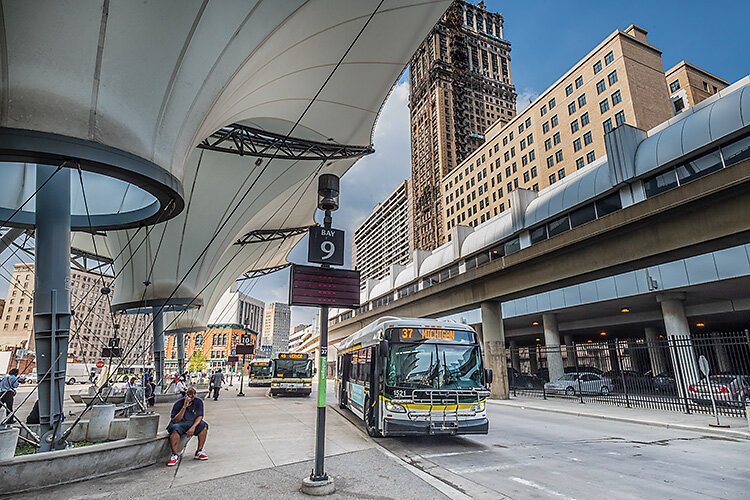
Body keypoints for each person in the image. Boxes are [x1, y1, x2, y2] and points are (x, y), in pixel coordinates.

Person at [166, 387, 208, 466]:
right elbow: (176, 420)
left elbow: (200, 416)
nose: (190, 397)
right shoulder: (178, 403)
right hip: (180, 423)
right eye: (188, 395)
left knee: (203, 426)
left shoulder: (198, 402)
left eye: (192, 396)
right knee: (174, 429)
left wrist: (193, 427)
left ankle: (199, 450)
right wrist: (184, 407)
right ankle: (174, 454)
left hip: (192, 422)